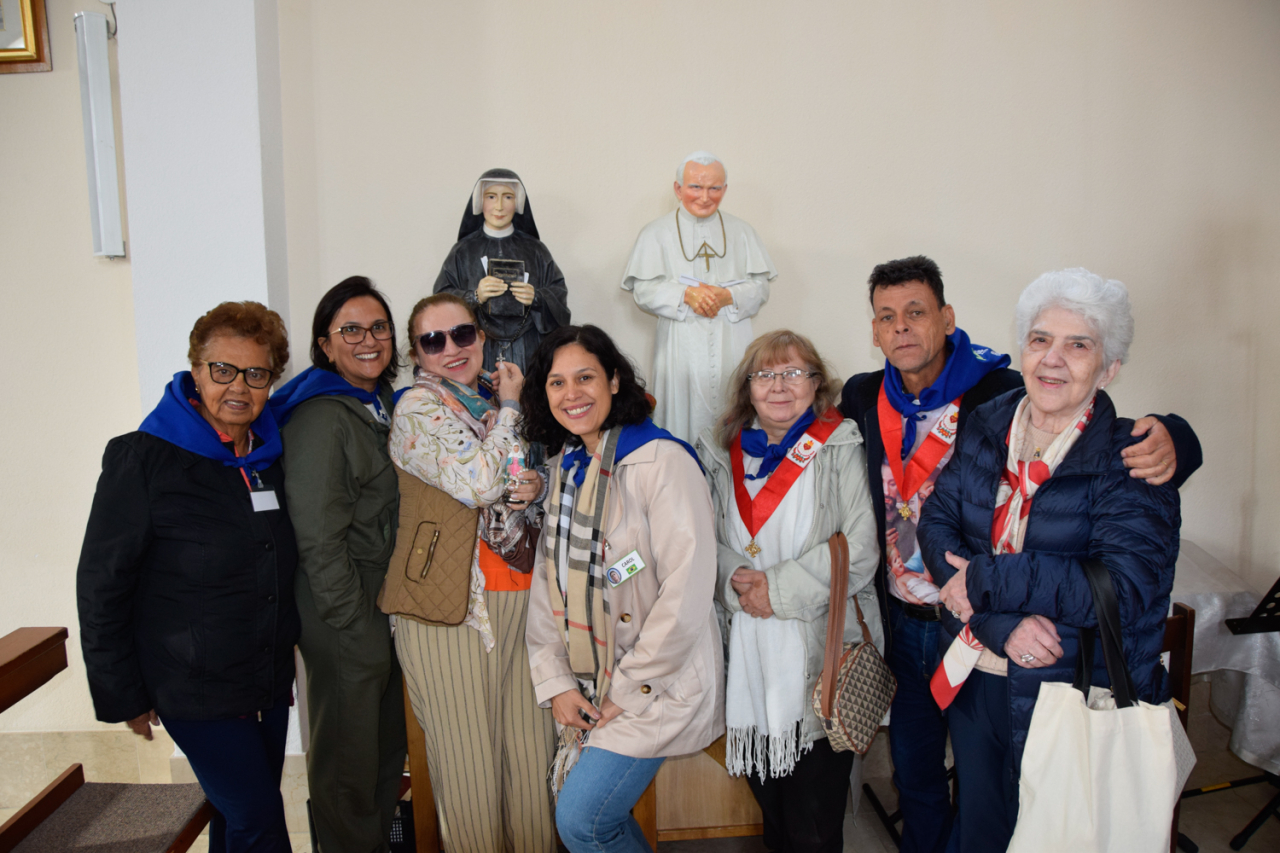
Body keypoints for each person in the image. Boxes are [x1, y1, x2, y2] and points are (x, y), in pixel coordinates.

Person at [837, 256, 1201, 853]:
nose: (1053, 358)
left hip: (1070, 687)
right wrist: (995, 619)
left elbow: (1125, 589)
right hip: (969, 659)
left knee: (1056, 834)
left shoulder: (1125, 455)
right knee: (972, 817)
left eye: (1078, 345)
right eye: (1040, 340)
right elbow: (939, 522)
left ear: (1109, 367)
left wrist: (1178, 438)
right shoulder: (985, 422)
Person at [77, 301, 297, 853]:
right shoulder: (143, 459)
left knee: (236, 818)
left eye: (256, 373)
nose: (238, 386)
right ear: (196, 371)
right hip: (191, 686)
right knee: (260, 822)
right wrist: (124, 692)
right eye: (223, 370)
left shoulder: (268, 458)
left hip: (264, 681)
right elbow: (102, 584)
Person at [521, 324, 724, 853]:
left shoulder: (663, 461)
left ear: (614, 380)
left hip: (655, 678)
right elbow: (548, 589)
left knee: (583, 822)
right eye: (557, 383)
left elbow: (687, 589)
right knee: (594, 823)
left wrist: (627, 688)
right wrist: (556, 683)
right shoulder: (566, 469)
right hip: (592, 682)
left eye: (585, 377)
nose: (572, 394)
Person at [696, 330, 880, 853]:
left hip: (818, 656)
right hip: (746, 656)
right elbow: (700, 539)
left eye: (794, 373)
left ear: (816, 383)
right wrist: (734, 578)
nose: (779, 386)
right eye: (765, 375)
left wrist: (774, 590)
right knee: (773, 814)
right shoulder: (719, 450)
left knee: (812, 827)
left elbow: (861, 548)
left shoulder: (840, 443)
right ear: (748, 388)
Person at [389, 292, 556, 853]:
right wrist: (511, 408)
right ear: (416, 352)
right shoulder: (418, 408)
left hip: (522, 593)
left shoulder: (489, 401)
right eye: (433, 340)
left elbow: (516, 477)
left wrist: (536, 485)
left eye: (462, 334)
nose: (452, 348)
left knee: (533, 760)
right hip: (452, 608)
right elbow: (481, 482)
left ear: (481, 337)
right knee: (470, 770)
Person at [269, 277, 406, 853]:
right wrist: (353, 622)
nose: (367, 340)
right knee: (348, 761)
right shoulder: (323, 417)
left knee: (382, 750)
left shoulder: (382, 405)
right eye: (350, 330)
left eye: (378, 328)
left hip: (382, 599)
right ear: (325, 344)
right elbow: (318, 537)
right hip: (346, 604)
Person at [621, 151, 777, 444]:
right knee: (682, 420)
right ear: (678, 188)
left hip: (732, 340)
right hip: (681, 343)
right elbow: (642, 290)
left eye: (714, 188)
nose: (705, 197)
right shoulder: (655, 233)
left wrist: (729, 296)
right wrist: (685, 295)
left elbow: (761, 287)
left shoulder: (743, 232)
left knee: (734, 411)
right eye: (696, 187)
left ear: (724, 189)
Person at [434, 167, 571, 372]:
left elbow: (558, 294)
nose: (499, 206)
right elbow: (440, 302)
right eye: (491, 196)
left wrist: (537, 297)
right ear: (480, 202)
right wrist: (474, 296)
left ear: (518, 202)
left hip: (528, 346)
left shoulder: (536, 250)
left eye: (508, 197)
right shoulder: (463, 251)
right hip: (480, 345)